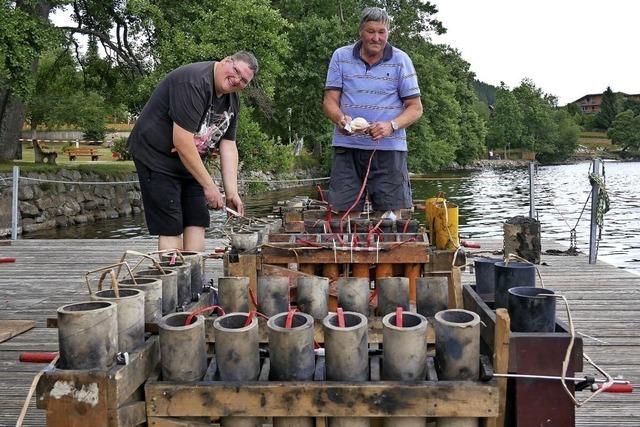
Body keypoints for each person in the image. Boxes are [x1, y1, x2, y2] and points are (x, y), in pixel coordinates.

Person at [128, 52, 258, 251]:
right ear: (226, 61)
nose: (237, 80)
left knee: (197, 217)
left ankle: (194, 277)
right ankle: (173, 278)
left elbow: (228, 144)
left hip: (189, 160)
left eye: (244, 81)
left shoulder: (232, 101)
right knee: (171, 223)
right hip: (156, 156)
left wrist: (231, 192)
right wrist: (210, 186)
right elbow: (181, 141)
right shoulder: (194, 83)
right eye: (236, 71)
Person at [323, 7, 423, 215]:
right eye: (371, 31)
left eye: (381, 32)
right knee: (343, 214)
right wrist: (340, 119)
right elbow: (330, 101)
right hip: (347, 148)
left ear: (388, 33)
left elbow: (415, 108)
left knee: (390, 218)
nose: (376, 38)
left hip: (389, 150)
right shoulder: (340, 56)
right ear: (361, 31)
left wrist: (391, 126)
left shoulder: (401, 60)